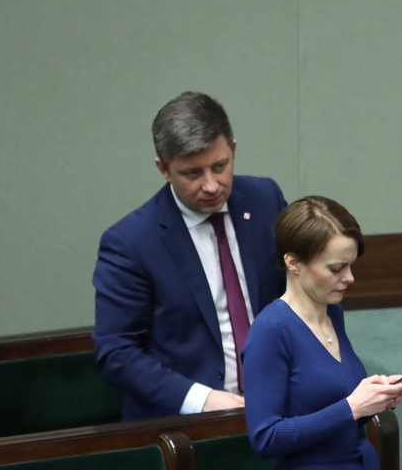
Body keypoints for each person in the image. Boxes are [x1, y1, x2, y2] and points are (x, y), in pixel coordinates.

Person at [93, 91, 288, 419]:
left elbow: (297, 292)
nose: (212, 185)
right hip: (185, 424)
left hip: (276, 405)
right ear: (164, 169)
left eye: (220, 166)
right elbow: (116, 353)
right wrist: (202, 400)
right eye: (193, 173)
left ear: (234, 150)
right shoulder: (130, 243)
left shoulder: (265, 199)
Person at [242, 196, 402, 470]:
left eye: (351, 265)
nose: (349, 278)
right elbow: (265, 437)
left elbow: (330, 395)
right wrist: (351, 407)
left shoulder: (332, 312)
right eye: (336, 268)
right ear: (294, 262)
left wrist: (376, 395)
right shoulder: (271, 331)